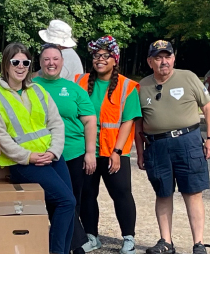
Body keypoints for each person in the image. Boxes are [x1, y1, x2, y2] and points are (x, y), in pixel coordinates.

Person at [0, 42, 75, 254]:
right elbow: (0, 137)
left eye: (26, 62)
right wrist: (28, 157)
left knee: (68, 204)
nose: (21, 66)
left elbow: (56, 123)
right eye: (16, 62)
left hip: (51, 156)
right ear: (6, 64)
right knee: (66, 201)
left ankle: (63, 252)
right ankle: (56, 255)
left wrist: (54, 151)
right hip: (23, 162)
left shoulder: (38, 90)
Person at [135, 40, 210, 254]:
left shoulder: (188, 77)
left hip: (188, 140)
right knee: (163, 193)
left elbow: (207, 106)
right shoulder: (142, 85)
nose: (163, 62)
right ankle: (166, 242)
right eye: (157, 58)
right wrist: (139, 151)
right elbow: (138, 122)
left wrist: (209, 138)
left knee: (192, 192)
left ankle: (198, 243)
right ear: (150, 61)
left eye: (167, 56)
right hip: (157, 145)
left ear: (173, 58)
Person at [74, 36, 141, 254]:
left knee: (121, 193)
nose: (100, 59)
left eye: (105, 55)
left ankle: (128, 238)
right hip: (87, 151)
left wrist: (117, 152)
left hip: (114, 151)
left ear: (115, 60)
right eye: (96, 55)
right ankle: (92, 236)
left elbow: (128, 121)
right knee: (87, 194)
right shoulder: (79, 82)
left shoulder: (128, 86)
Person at [34, 43, 97, 254]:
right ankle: (61, 245)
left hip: (72, 153)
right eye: (46, 59)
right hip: (42, 155)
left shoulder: (73, 89)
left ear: (62, 62)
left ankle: (69, 246)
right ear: (40, 62)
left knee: (72, 201)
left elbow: (89, 121)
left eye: (55, 59)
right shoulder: (30, 86)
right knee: (52, 201)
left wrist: (90, 153)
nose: (51, 63)